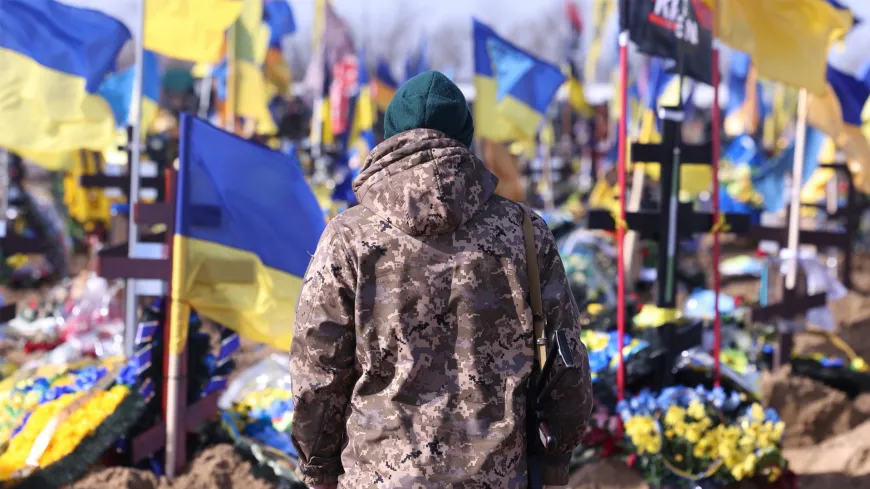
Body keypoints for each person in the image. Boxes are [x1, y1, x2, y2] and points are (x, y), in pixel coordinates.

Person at [290, 70, 593, 489]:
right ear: (465, 137)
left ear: (390, 135)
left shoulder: (350, 237)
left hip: (380, 476)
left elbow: (318, 370)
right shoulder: (525, 232)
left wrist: (318, 468)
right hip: (497, 476)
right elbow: (565, 362)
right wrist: (557, 457)